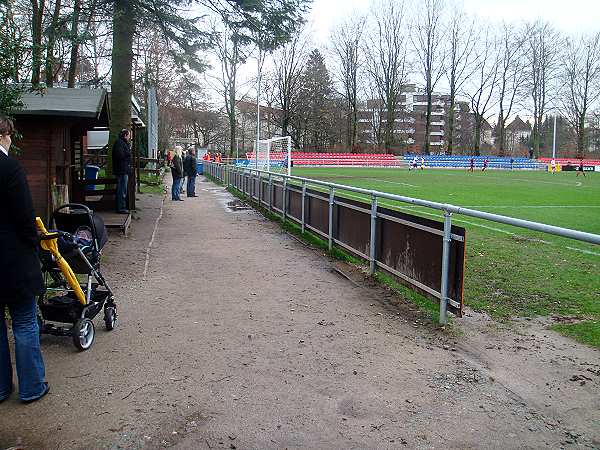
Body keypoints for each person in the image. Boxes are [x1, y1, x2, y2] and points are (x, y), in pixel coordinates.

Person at [0, 114, 49, 403]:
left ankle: (2, 386)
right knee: (24, 321)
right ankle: (31, 386)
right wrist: (35, 245)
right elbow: (25, 217)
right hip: (13, 259)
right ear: (4, 135)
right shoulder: (10, 169)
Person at [112, 129, 132, 214]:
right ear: (125, 135)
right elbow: (119, 155)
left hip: (123, 170)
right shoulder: (120, 143)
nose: (129, 137)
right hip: (121, 170)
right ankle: (121, 208)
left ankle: (121, 207)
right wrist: (128, 153)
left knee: (122, 189)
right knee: (122, 190)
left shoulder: (121, 143)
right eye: (128, 135)